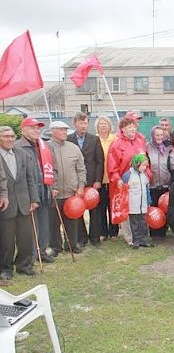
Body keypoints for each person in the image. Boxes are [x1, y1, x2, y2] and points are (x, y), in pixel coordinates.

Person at [0, 126, 39, 279]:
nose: (10, 139)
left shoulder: (21, 154)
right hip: (6, 204)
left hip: (24, 202)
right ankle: (6, 268)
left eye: (11, 136)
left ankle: (24, 265)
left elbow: (31, 178)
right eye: (5, 136)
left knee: (26, 237)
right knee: (6, 239)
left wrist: (34, 199)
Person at [15, 117, 56, 262]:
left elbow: (52, 167)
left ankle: (42, 252)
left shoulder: (44, 146)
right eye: (33, 127)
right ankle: (30, 255)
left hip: (44, 191)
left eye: (38, 128)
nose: (36, 130)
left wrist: (53, 186)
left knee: (44, 225)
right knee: (31, 228)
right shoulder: (17, 147)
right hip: (28, 193)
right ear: (23, 130)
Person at [107, 114, 151, 245]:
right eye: (128, 127)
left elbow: (146, 159)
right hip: (125, 180)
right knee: (128, 209)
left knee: (141, 208)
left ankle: (142, 236)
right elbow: (112, 165)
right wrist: (117, 179)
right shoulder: (116, 144)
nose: (132, 129)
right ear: (122, 129)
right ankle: (130, 237)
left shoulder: (141, 139)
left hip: (141, 179)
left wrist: (148, 175)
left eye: (133, 126)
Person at [47, 121, 87, 255]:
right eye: (61, 130)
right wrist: (50, 188)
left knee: (72, 221)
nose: (65, 132)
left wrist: (81, 186)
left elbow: (81, 169)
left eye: (65, 130)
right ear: (52, 131)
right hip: (54, 192)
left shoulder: (73, 148)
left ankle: (72, 244)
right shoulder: (45, 148)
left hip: (71, 192)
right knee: (53, 222)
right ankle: (55, 247)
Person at [67, 112, 104, 247]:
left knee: (94, 210)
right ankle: (81, 238)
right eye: (81, 123)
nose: (83, 126)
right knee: (78, 209)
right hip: (75, 181)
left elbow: (100, 161)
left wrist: (98, 180)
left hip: (92, 180)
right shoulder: (69, 139)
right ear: (75, 124)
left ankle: (95, 237)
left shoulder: (94, 139)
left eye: (86, 123)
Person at [147, 125, 174, 237]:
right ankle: (155, 231)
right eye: (157, 135)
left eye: (161, 135)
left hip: (166, 184)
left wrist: (172, 183)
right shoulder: (147, 147)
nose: (159, 137)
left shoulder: (169, 148)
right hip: (152, 185)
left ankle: (165, 230)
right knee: (154, 209)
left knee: (165, 209)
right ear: (152, 135)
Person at [121, 154, 154, 249]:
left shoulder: (144, 176)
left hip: (142, 205)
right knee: (134, 223)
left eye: (146, 166)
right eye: (143, 165)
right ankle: (135, 241)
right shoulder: (128, 176)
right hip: (132, 205)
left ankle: (143, 240)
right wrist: (125, 204)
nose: (144, 168)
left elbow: (147, 189)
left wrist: (148, 201)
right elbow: (124, 191)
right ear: (137, 164)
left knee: (143, 223)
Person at [96, 116, 118, 241]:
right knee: (101, 207)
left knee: (113, 205)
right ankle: (102, 231)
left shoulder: (114, 138)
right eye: (101, 124)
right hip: (100, 178)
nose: (103, 126)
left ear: (110, 126)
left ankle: (114, 231)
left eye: (106, 124)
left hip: (112, 178)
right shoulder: (95, 139)